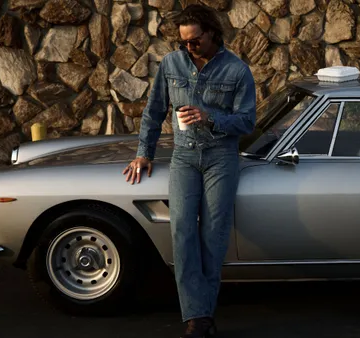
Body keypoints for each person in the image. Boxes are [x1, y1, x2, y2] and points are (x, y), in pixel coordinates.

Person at [122, 4, 257, 337]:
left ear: (211, 32)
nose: (189, 47)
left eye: (195, 40)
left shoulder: (237, 71)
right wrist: (144, 153)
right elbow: (154, 113)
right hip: (183, 156)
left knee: (213, 237)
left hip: (221, 157)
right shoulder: (171, 63)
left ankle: (199, 319)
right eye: (184, 41)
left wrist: (210, 117)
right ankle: (198, 316)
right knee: (182, 232)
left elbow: (247, 121)